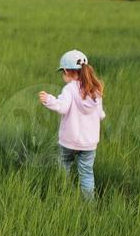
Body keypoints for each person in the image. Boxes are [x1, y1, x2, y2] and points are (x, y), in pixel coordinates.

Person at [38, 49, 105, 199]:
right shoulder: (95, 89)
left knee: (64, 167)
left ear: (67, 71)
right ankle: (89, 205)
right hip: (89, 143)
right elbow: (100, 115)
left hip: (69, 142)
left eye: (62, 72)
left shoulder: (69, 89)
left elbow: (62, 108)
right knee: (87, 174)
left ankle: (62, 198)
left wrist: (48, 99)